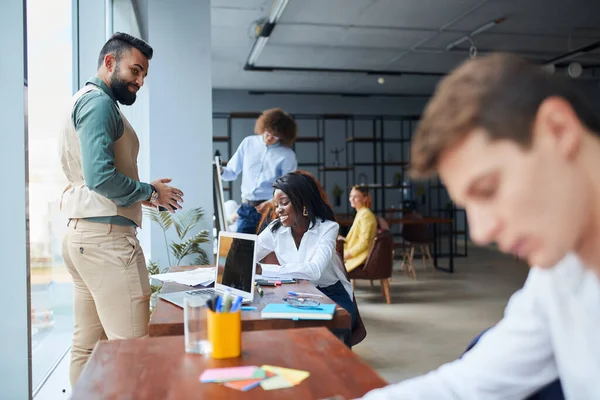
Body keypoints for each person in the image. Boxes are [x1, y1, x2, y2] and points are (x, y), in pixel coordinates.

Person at [360, 53, 600, 399]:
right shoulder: (558, 276)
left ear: (559, 130)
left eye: (488, 189)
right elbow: (464, 386)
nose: (480, 232)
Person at [59, 32, 183, 386]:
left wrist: (145, 194)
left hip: (82, 235)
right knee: (133, 350)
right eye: (135, 70)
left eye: (144, 75)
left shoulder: (81, 100)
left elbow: (92, 176)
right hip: (107, 242)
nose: (140, 81)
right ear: (109, 62)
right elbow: (100, 177)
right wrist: (149, 191)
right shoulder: (99, 104)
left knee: (87, 347)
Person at [255, 172, 356, 345]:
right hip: (297, 293)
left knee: (326, 333)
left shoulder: (328, 228)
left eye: (284, 203)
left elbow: (315, 271)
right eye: (276, 204)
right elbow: (250, 253)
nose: (278, 209)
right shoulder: (275, 229)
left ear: (302, 202)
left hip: (330, 294)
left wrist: (265, 269)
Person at [220, 108, 298, 234]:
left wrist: (270, 203)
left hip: (270, 210)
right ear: (263, 127)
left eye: (275, 135)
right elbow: (231, 172)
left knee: (267, 251)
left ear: (283, 136)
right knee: (242, 249)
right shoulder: (248, 143)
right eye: (268, 132)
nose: (269, 138)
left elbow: (287, 188)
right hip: (247, 208)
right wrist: (220, 170)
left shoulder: (287, 155)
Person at [338, 185, 377, 272]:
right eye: (351, 196)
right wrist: (344, 239)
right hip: (357, 253)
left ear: (365, 198)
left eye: (355, 197)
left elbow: (364, 243)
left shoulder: (366, 215)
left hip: (361, 256)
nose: (351, 199)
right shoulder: (361, 213)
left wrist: (346, 255)